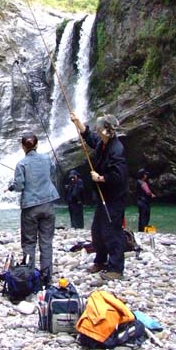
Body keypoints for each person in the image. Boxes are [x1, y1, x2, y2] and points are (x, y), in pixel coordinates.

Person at [70, 113, 128, 281]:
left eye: (98, 127)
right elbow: (91, 139)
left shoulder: (116, 149)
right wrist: (78, 123)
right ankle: (101, 261)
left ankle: (116, 269)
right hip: (104, 196)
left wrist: (101, 178)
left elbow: (120, 176)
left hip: (114, 197)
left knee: (112, 231)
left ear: (104, 129)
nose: (96, 129)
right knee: (97, 230)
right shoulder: (103, 143)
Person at [7, 132, 59, 287]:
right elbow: (51, 172)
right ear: (37, 145)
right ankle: (47, 278)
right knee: (46, 242)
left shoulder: (21, 164)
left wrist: (11, 186)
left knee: (29, 242)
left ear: (23, 146)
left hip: (30, 207)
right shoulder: (47, 159)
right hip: (48, 204)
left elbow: (19, 185)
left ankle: (29, 276)